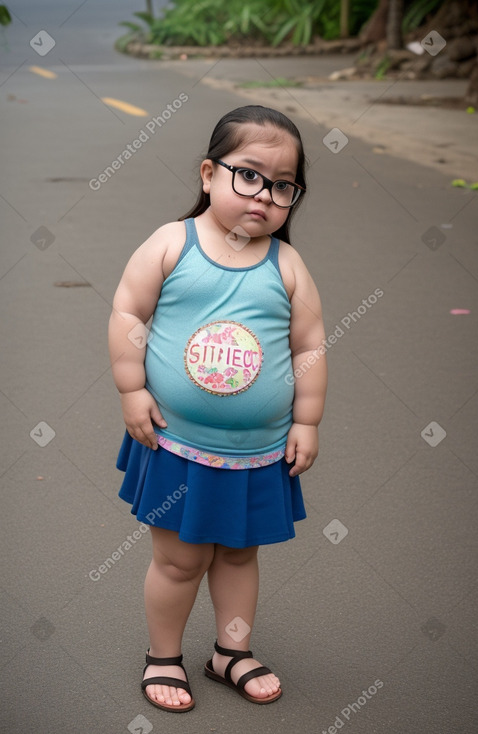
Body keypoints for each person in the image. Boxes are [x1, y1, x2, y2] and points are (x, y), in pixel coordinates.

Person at [108, 105, 327, 713]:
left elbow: (309, 346)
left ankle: (230, 651)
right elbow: (128, 313)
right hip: (177, 442)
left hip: (256, 452)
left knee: (237, 553)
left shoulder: (285, 265)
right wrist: (132, 388)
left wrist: (306, 419)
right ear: (208, 174)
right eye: (249, 175)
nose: (265, 195)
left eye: (283, 186)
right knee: (179, 561)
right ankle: (164, 656)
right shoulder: (172, 244)